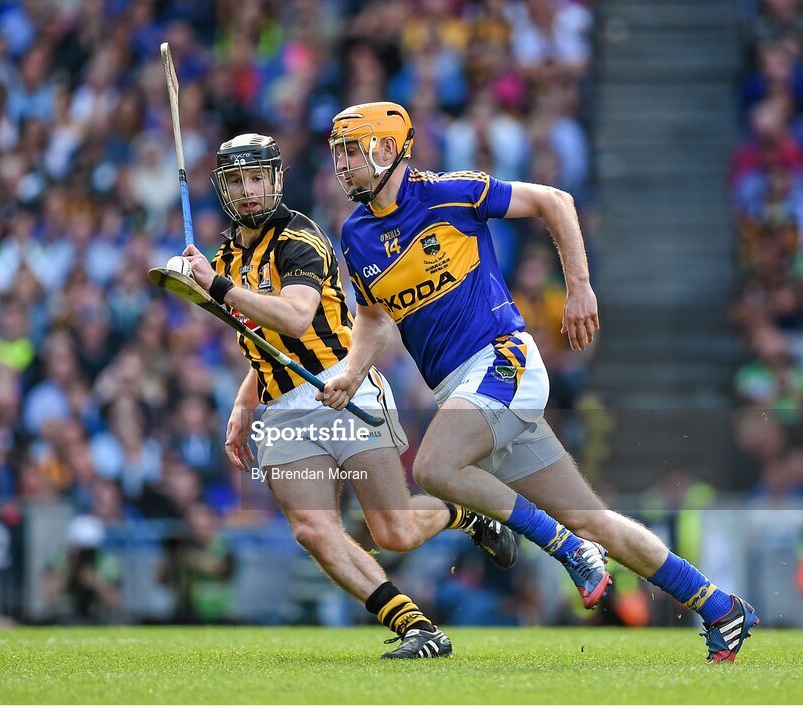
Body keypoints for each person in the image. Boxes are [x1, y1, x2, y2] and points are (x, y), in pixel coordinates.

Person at [321, 101, 758, 663]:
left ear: (388, 148)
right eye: (339, 152)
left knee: (432, 468)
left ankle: (566, 549)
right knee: (594, 519)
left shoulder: (451, 193)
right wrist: (351, 372)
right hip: (466, 392)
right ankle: (720, 606)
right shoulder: (355, 233)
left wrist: (579, 286)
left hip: (504, 362)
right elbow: (376, 318)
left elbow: (556, 201)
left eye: (353, 150)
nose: (343, 163)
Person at [182, 133, 517, 659]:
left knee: (395, 531)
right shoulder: (225, 256)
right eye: (236, 181)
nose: (248, 191)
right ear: (222, 188)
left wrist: (216, 289)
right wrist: (244, 403)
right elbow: (259, 340)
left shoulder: (301, 238)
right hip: (281, 413)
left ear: (276, 179)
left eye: (257, 178)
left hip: (343, 388)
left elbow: (294, 318)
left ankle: (465, 515)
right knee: (313, 530)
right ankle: (416, 627)